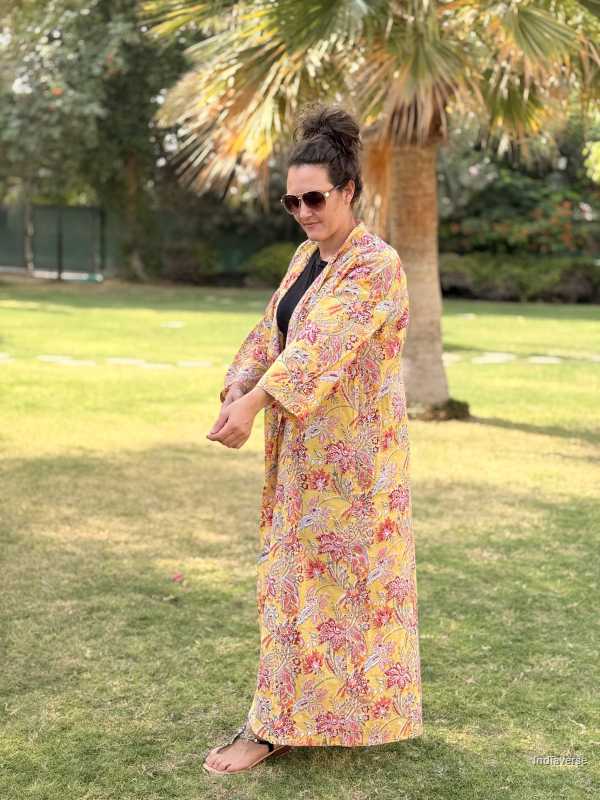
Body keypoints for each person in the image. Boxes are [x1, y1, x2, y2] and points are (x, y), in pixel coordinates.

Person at [204, 104, 423, 775]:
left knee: (342, 600)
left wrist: (258, 400)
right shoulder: (307, 256)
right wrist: (237, 389)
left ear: (349, 191)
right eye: (291, 200)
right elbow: (275, 332)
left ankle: (268, 728)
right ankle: (284, 720)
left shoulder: (374, 266)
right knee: (293, 593)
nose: (303, 210)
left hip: (353, 472)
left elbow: (320, 349)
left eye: (315, 197)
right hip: (303, 456)